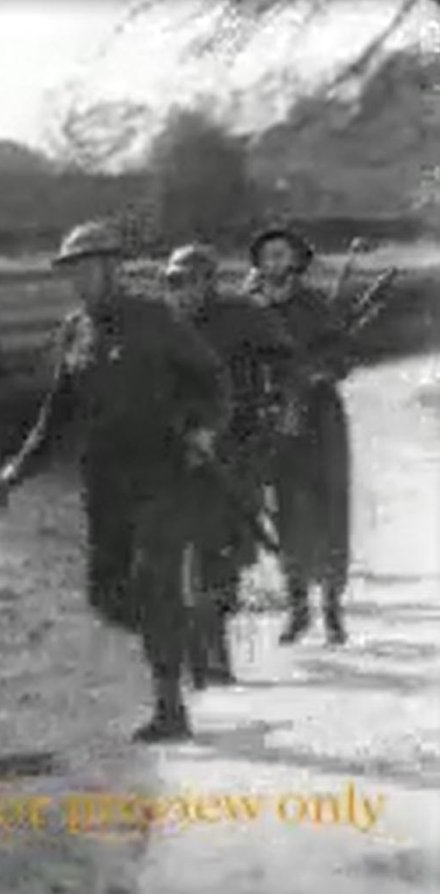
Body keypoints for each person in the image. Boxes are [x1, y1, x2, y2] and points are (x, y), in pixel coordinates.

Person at [0, 221, 231, 742]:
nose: (78, 280)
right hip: (103, 482)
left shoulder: (155, 319)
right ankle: (184, 632)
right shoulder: (75, 329)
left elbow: (212, 378)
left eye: (87, 268)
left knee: (152, 581)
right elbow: (56, 414)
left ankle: (171, 709)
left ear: (111, 267)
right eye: (71, 271)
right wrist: (18, 469)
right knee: (106, 596)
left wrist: (206, 429)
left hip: (162, 472)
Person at [161, 243, 297, 685]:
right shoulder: (165, 327)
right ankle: (203, 653)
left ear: (209, 282)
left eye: (189, 281)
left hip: (238, 447)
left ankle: (214, 646)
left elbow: (286, 359)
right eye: (172, 282)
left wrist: (282, 404)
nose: (181, 291)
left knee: (224, 548)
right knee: (188, 547)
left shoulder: (242, 316)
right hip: (179, 452)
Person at [246, 226, 352, 646]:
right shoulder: (248, 308)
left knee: (329, 510)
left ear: (295, 262)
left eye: (282, 255)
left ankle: (331, 607)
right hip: (274, 420)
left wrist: (317, 372)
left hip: (320, 419)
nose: (274, 263)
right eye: (267, 255)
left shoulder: (315, 306)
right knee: (287, 514)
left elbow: (342, 356)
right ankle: (297, 607)